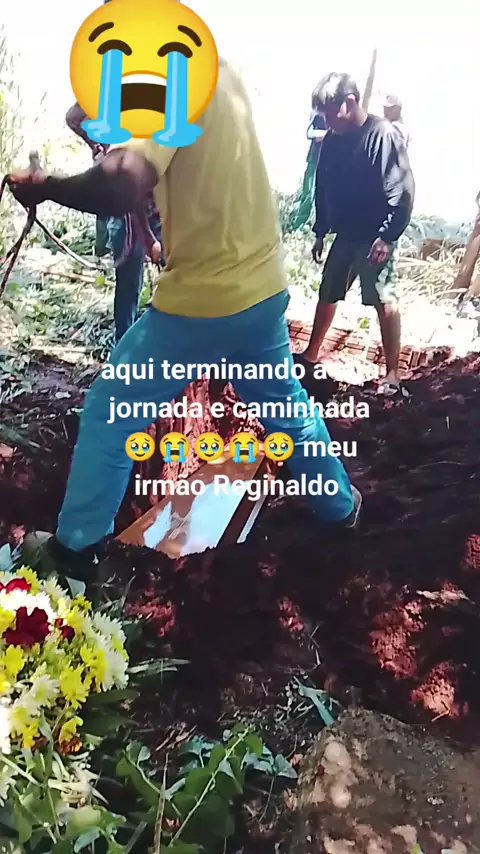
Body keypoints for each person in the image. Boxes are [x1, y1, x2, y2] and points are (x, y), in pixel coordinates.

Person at [9, 59, 362, 582]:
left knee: (111, 407)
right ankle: (339, 506)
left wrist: (45, 186)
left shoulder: (163, 87)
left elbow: (122, 183)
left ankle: (74, 553)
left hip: (202, 300)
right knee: (284, 406)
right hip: (261, 287)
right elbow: (99, 126)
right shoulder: (215, 71)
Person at [296, 72, 414, 396]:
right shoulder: (333, 140)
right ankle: (311, 354)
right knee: (328, 291)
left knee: (383, 297)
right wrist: (321, 230)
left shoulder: (382, 135)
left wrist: (387, 236)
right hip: (344, 234)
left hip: (374, 237)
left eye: (330, 113)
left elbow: (402, 191)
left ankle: (393, 375)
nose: (327, 120)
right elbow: (323, 186)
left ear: (349, 103)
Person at [66, 101, 165, 342]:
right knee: (129, 282)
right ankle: (124, 348)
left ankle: (164, 339)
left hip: (157, 206)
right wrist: (100, 147)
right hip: (127, 212)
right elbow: (73, 116)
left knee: (175, 270)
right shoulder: (110, 100)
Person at [291, 110, 328, 230]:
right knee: (309, 194)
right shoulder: (318, 113)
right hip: (315, 159)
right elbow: (310, 133)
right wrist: (327, 134)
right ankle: (297, 226)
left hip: (330, 161)